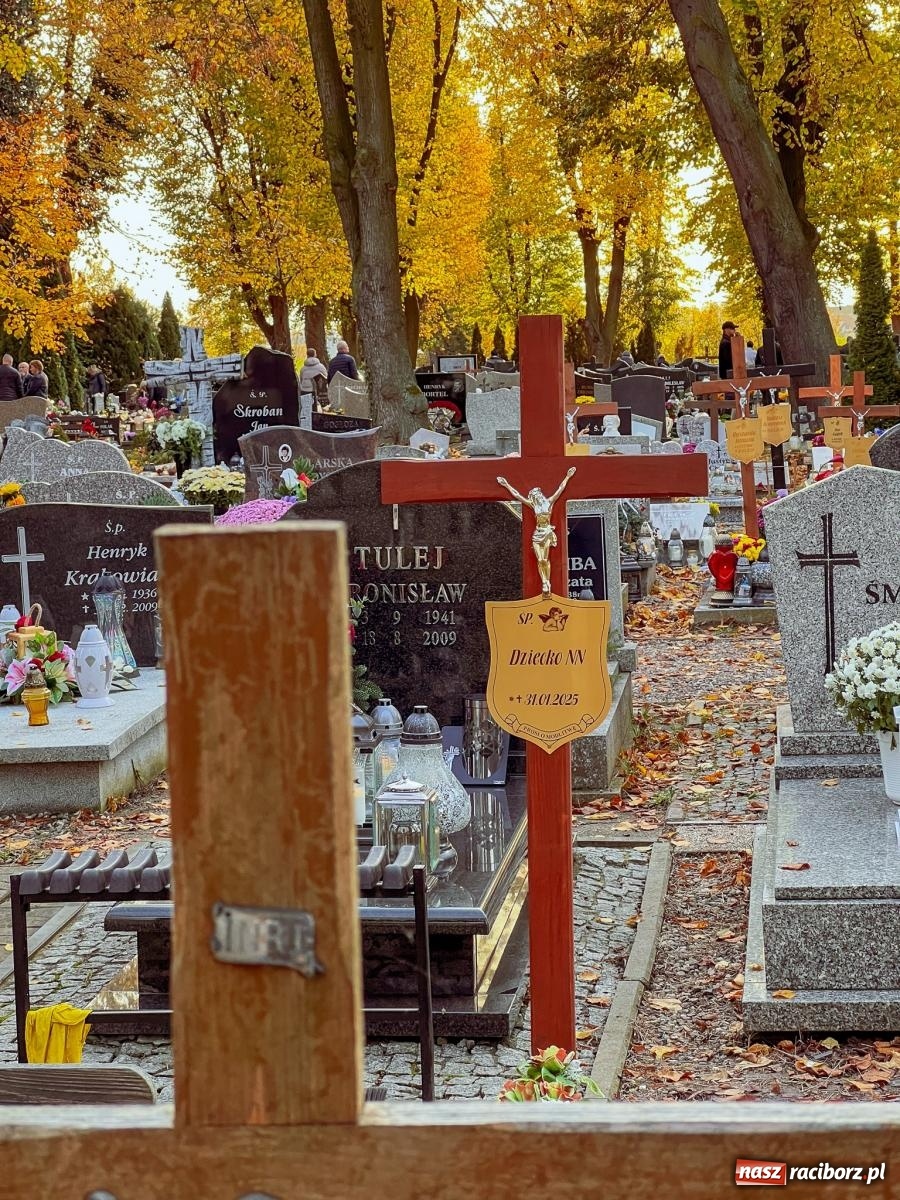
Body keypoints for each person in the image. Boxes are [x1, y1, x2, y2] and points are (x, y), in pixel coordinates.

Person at [299, 349, 328, 427]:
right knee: (318, 406)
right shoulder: (321, 367)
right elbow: (325, 379)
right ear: (315, 355)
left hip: (306, 390)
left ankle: (308, 423)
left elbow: (301, 380)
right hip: (318, 390)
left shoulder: (303, 368)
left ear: (307, 355)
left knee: (308, 407)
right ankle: (318, 422)